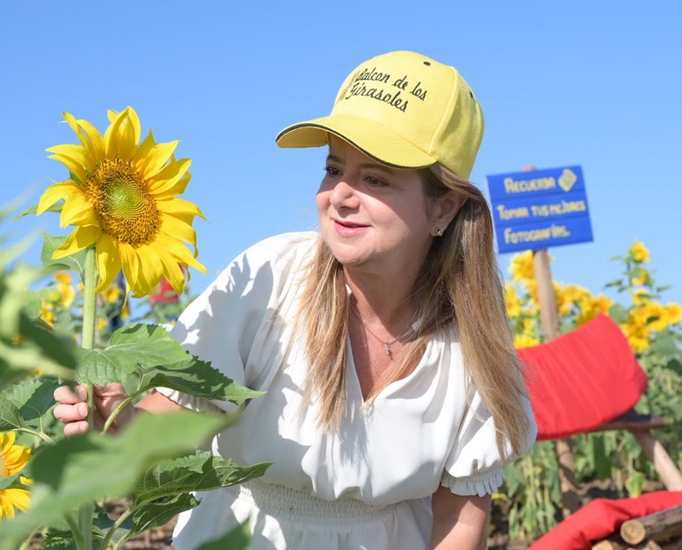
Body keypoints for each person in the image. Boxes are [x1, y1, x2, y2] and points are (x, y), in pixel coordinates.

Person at [53, 50, 537, 550]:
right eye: (333, 169)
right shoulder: (268, 280)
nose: (340, 196)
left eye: (375, 178)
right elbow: (188, 419)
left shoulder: (472, 338)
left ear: (443, 205)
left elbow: (460, 522)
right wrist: (121, 421)